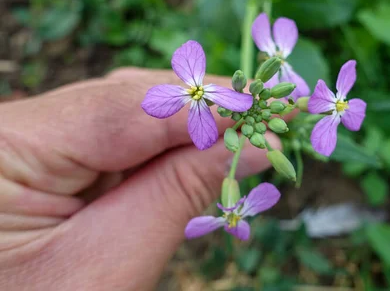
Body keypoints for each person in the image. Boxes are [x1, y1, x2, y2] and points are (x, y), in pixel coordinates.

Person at [0, 68, 278, 290]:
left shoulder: (221, 99)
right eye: (233, 218)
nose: (195, 92)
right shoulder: (201, 100)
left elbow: (241, 100)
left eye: (232, 219)